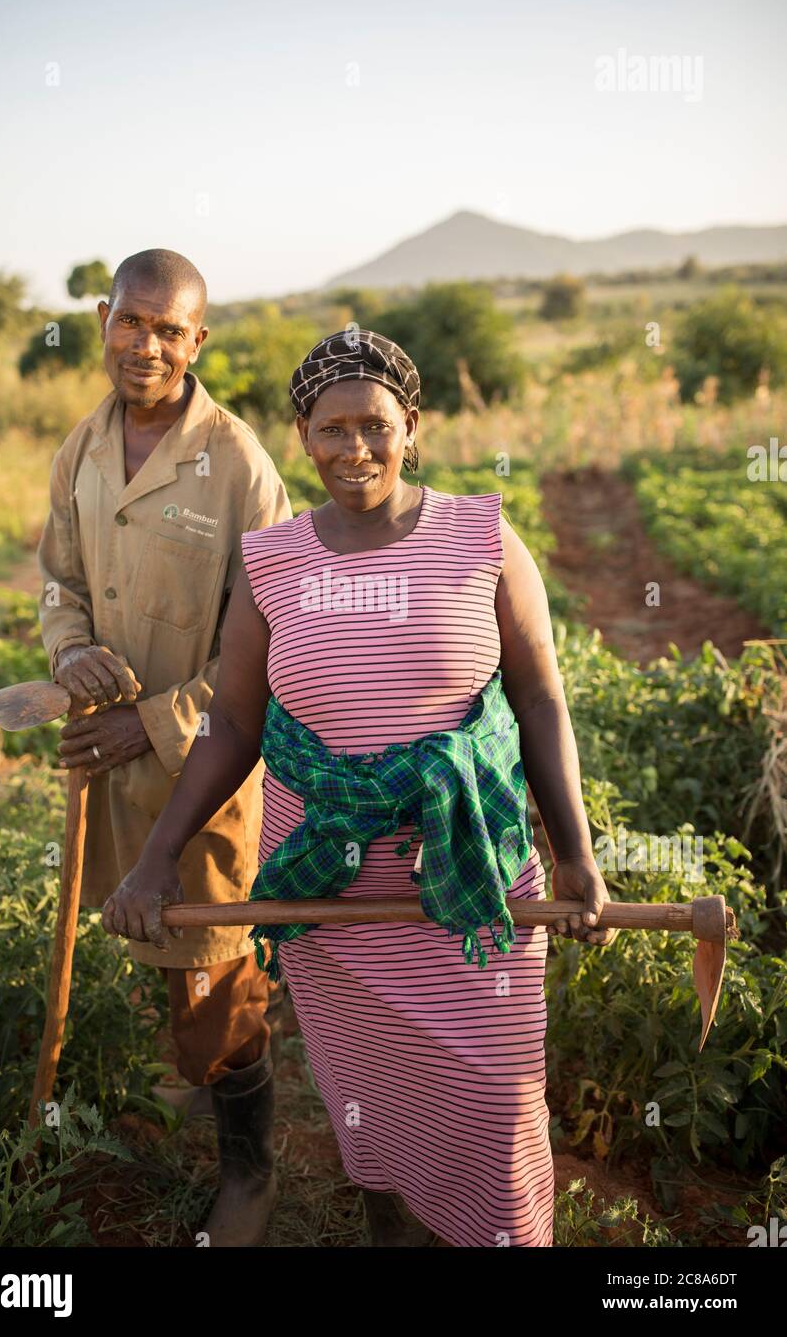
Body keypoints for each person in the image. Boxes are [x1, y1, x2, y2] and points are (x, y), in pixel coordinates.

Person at [102, 328, 616, 1248]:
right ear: (302, 435)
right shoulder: (273, 564)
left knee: (498, 1103)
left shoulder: (483, 538)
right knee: (375, 1117)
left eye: (375, 426)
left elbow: (539, 699)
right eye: (331, 429)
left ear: (410, 427)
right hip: (333, 901)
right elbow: (233, 726)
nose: (355, 450)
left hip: (467, 889)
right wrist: (154, 859)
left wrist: (574, 853)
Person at [36, 248, 292, 1248]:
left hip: (205, 770)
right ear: (102, 319)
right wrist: (70, 650)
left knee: (216, 982)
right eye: (131, 322)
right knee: (154, 948)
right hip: (110, 773)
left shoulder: (236, 463)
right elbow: (59, 576)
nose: (147, 345)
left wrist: (144, 720)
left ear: (197, 342)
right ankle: (195, 1075)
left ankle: (252, 1169)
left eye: (169, 330)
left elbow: (262, 646)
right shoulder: (82, 447)